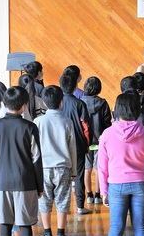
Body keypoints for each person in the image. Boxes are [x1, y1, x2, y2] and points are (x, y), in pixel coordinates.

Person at [98, 93, 144, 236]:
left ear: (117, 109)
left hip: (116, 185)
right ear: (137, 109)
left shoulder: (107, 134)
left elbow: (102, 167)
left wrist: (103, 191)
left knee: (116, 228)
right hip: (141, 184)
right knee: (140, 228)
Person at [0, 86, 44, 236]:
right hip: (26, 182)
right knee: (25, 223)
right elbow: (36, 159)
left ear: (6, 103)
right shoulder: (30, 127)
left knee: (5, 224)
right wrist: (39, 186)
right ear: (24, 106)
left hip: (2, 182)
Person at [34, 85, 77, 236]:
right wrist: (74, 170)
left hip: (43, 168)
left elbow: (34, 149)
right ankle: (60, 231)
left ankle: (47, 231)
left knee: (44, 200)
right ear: (62, 102)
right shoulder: (67, 121)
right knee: (63, 199)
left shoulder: (38, 121)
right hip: (63, 167)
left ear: (44, 103)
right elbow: (72, 147)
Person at [60, 73, 91, 215]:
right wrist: (87, 144)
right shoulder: (80, 103)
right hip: (78, 144)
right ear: (75, 87)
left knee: (62, 175)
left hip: (60, 144)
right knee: (79, 175)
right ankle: (80, 206)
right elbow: (86, 127)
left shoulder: (57, 102)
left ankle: (62, 208)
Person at [81, 76, 112, 205]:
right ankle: (98, 195)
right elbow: (107, 122)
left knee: (86, 169)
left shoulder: (80, 102)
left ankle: (89, 195)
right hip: (100, 140)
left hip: (85, 141)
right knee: (99, 168)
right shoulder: (103, 103)